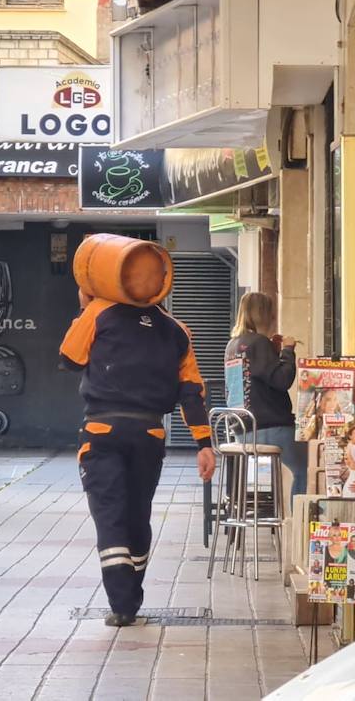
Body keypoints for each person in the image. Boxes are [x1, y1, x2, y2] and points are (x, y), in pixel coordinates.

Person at [59, 242, 216, 628]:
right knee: (137, 514)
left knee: (110, 514)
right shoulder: (177, 331)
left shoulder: (99, 312)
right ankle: (132, 594)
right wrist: (203, 444)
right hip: (149, 433)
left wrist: (85, 307)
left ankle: (122, 604)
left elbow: (68, 358)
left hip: (102, 429)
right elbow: (192, 392)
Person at [224, 292, 303, 500]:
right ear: (264, 315)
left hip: (242, 430)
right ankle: (297, 529)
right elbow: (282, 380)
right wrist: (287, 351)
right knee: (307, 468)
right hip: (269, 427)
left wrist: (273, 351)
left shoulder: (233, 345)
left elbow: (255, 376)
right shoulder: (259, 342)